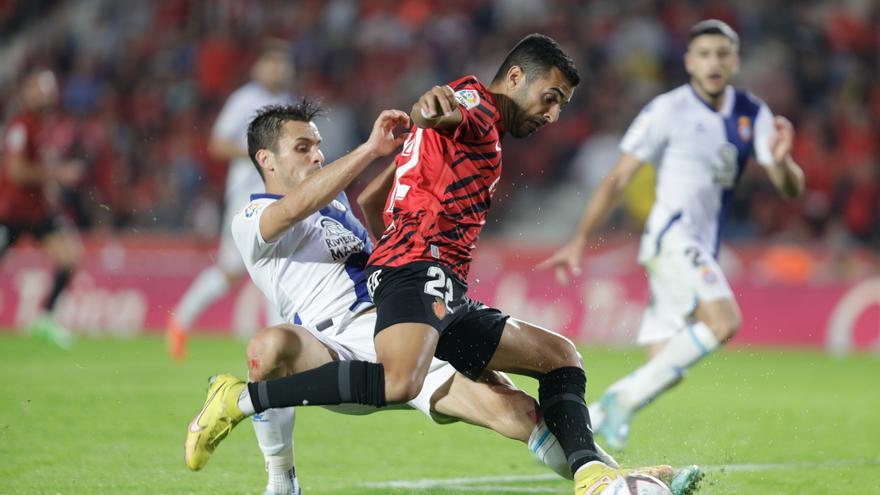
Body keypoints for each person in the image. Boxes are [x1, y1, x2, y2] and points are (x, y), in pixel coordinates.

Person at [185, 34, 679, 495]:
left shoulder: (338, 212)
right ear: (266, 160)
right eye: (303, 147)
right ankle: (271, 461)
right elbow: (442, 107)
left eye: (318, 144)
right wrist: (421, 117)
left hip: (413, 304)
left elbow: (374, 201)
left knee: (527, 392)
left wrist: (406, 183)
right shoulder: (251, 216)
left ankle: (608, 478)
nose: (317, 154)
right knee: (272, 346)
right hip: (345, 336)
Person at [538, 20, 806, 450]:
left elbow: (788, 184)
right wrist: (579, 238)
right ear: (689, 62)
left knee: (664, 366)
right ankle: (621, 399)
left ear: (735, 61)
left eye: (722, 54)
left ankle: (591, 423)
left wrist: (782, 161)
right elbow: (619, 177)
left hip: (701, 245)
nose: (714, 62)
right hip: (672, 235)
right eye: (704, 54)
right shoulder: (668, 109)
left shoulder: (752, 112)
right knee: (724, 322)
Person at [166, 40, 294, 361]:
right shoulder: (244, 100)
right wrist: (259, 153)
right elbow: (217, 144)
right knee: (232, 270)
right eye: (271, 63)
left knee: (275, 265)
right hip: (246, 198)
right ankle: (180, 320)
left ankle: (278, 344)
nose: (277, 69)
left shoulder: (288, 103)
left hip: (279, 197)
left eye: (282, 63)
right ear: (258, 67)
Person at [0, 69, 83, 349]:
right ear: (28, 93)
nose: (45, 95)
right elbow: (16, 172)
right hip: (9, 211)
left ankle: (45, 320)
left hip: (36, 212)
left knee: (69, 258)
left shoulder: (45, 127)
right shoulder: (20, 125)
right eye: (39, 90)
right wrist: (57, 173)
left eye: (48, 91)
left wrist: (51, 186)